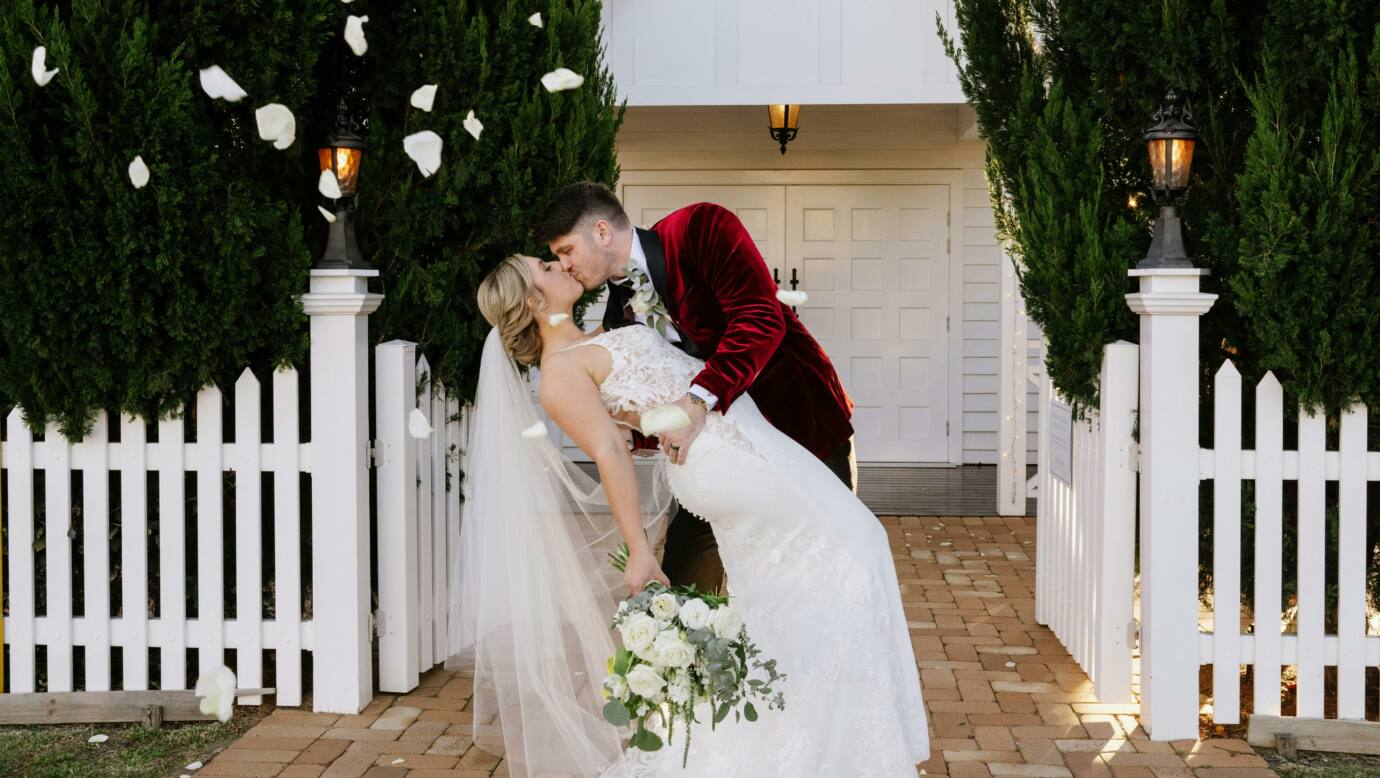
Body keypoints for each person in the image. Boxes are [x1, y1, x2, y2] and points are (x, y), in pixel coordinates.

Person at [448, 253, 928, 778]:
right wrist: (637, 552)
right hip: (724, 464)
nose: (557, 263)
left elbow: (642, 415)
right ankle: (827, 739)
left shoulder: (593, 334)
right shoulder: (558, 375)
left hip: (749, 439)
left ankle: (800, 740)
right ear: (534, 300)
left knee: (790, 588)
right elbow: (609, 452)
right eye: (543, 265)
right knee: (854, 545)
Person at [531, 181, 857, 596]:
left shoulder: (702, 227)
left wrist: (697, 402)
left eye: (566, 251)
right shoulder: (617, 314)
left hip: (802, 425)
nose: (564, 265)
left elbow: (760, 318)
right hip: (719, 454)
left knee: (827, 570)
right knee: (684, 587)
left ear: (600, 232)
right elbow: (654, 392)